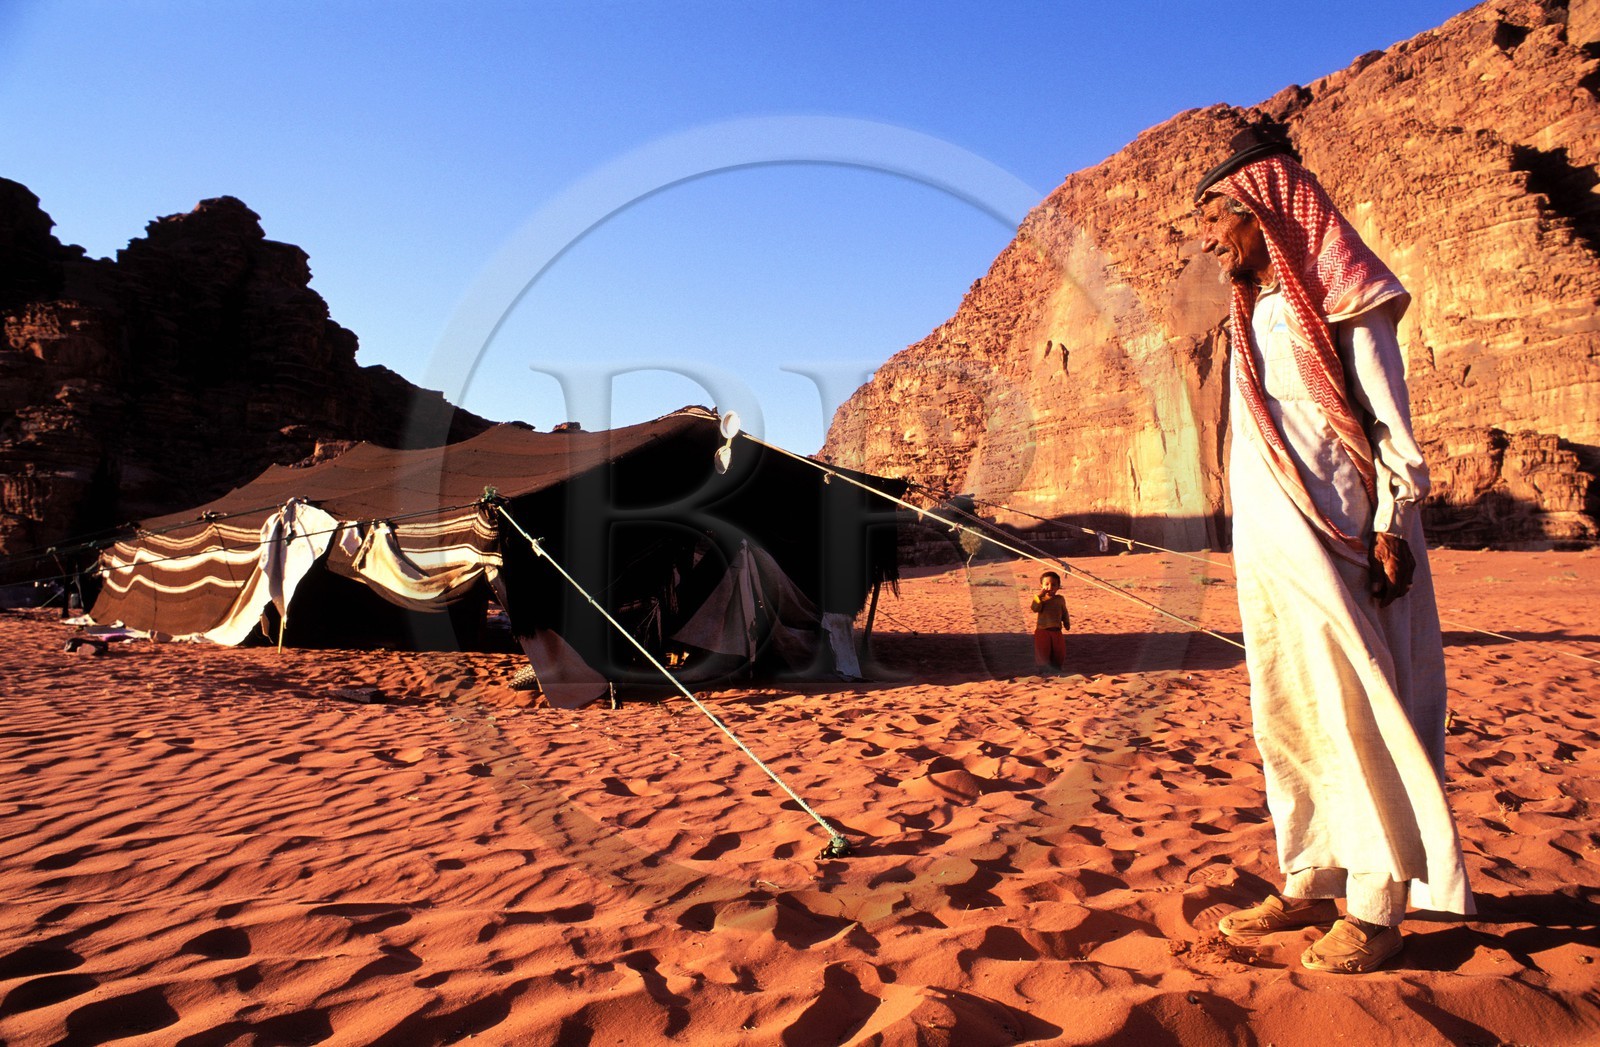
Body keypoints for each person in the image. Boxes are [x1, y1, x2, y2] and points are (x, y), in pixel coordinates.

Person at [1192, 127, 1473, 974]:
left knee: (1355, 710)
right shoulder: (1256, 311)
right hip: (1274, 549)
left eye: (1216, 217)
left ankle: (1379, 905)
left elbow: (1388, 418)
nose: (1208, 237)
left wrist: (1394, 519)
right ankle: (1309, 873)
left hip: (1344, 537)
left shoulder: (1345, 298)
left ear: (1264, 214)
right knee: (1288, 709)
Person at [1030, 570, 1069, 672]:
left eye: (1054, 584)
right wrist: (1039, 596)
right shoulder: (1040, 599)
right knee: (1043, 651)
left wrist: (1066, 622)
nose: (1050, 587)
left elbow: (1064, 611)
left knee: (1059, 651)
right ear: (1041, 585)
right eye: (1046, 584)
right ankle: (1043, 670)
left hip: (1056, 630)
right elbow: (1035, 608)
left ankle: (1057, 668)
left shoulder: (1060, 599)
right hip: (1042, 630)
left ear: (1058, 586)